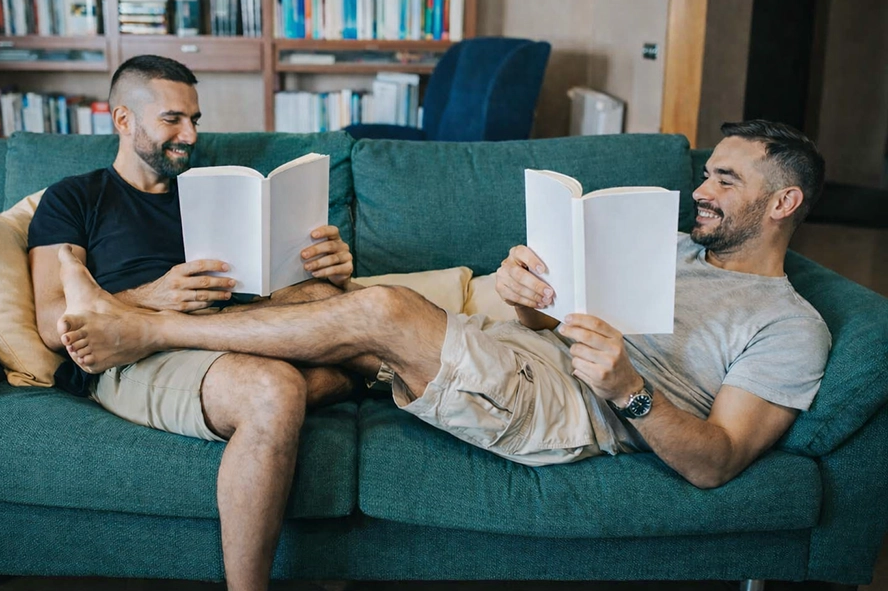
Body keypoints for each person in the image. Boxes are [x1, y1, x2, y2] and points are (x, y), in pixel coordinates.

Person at [52, 119, 831, 491]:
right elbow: (555, 322)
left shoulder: (789, 324)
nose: (700, 189)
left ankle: (144, 328)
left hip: (582, 409)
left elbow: (717, 460)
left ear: (783, 201)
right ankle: (214, 357)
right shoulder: (669, 245)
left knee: (381, 310)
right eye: (707, 172)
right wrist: (530, 299)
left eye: (726, 180)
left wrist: (628, 384)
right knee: (318, 300)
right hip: (534, 354)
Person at [27, 55, 357, 591]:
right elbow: (49, 322)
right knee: (273, 390)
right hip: (134, 352)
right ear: (123, 120)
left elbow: (270, 288)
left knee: (335, 303)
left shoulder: (210, 191)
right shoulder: (76, 197)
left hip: (229, 328)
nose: (190, 135)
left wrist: (330, 268)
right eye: (172, 120)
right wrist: (152, 297)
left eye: (195, 120)